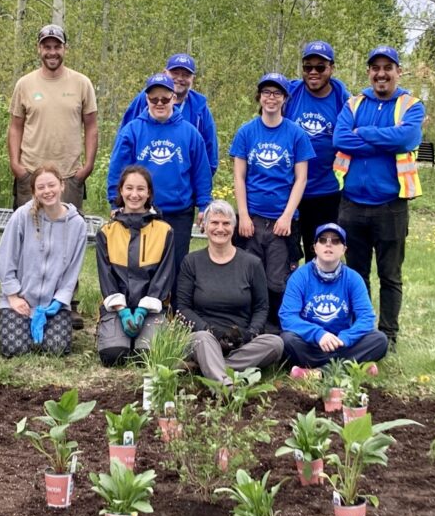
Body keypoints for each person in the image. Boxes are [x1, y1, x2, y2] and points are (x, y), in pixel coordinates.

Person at [333, 46, 425, 349]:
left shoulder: (411, 105)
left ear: (398, 71)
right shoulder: (354, 103)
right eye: (376, 68)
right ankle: (360, 331)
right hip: (352, 205)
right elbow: (340, 138)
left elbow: (407, 139)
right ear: (369, 72)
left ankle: (388, 335)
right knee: (356, 275)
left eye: (388, 67)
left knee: (390, 275)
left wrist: (365, 133)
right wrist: (386, 139)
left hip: (391, 206)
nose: (381, 73)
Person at [8, 23, 97, 329]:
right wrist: (16, 164)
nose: (52, 52)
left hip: (68, 175)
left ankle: (66, 302)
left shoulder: (81, 83)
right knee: (28, 239)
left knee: (66, 242)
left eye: (56, 46)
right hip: (31, 172)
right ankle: (21, 300)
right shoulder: (25, 84)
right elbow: (16, 126)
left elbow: (91, 126)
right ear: (39, 49)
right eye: (46, 46)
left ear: (64, 49)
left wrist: (86, 166)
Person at [108, 73, 212, 299]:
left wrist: (204, 204)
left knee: (175, 264)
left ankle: (174, 311)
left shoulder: (189, 132)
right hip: (141, 212)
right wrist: (114, 201)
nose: (159, 104)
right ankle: (139, 305)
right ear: (146, 99)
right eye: (154, 99)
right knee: (141, 262)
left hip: (179, 211)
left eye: (164, 99)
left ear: (173, 98)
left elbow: (201, 172)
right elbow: (118, 168)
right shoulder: (133, 130)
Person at [230, 73, 315, 333]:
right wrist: (243, 216)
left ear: (285, 98)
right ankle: (249, 327)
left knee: (278, 280)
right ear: (259, 96)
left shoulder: (296, 134)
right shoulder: (246, 132)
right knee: (249, 276)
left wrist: (288, 216)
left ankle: (277, 330)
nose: (271, 98)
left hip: (282, 220)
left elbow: (300, 179)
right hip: (253, 219)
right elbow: (239, 176)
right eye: (266, 92)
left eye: (277, 93)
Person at [177, 201, 284, 385]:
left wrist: (250, 333)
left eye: (226, 223)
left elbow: (261, 307)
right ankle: (224, 384)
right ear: (204, 226)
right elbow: (183, 308)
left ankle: (208, 366)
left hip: (240, 342)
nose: (220, 228)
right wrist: (209, 330)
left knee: (275, 344)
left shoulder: (251, 263)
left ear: (233, 227)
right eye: (214, 223)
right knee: (202, 341)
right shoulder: (191, 262)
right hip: (205, 336)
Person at [0, 165, 87, 357]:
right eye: (41, 187)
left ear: (62, 186)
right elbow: (5, 258)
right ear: (34, 191)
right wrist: (13, 295)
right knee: (14, 349)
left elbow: (72, 272)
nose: (47, 191)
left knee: (57, 349)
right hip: (20, 299)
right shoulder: (22, 216)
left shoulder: (77, 225)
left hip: (53, 304)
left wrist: (60, 301)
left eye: (51, 185)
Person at [279, 223, 388, 370]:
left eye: (336, 241)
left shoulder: (353, 278)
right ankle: (351, 365)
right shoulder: (299, 277)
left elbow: (367, 317)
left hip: (341, 343)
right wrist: (318, 334)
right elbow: (287, 317)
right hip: (311, 342)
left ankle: (318, 371)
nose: (328, 244)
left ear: (344, 249)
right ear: (315, 247)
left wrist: (345, 338)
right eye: (323, 240)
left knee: (379, 340)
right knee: (287, 340)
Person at [96, 165, 174, 367]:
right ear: (121, 191)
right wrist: (122, 310)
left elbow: (163, 276)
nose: (134, 194)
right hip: (117, 308)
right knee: (113, 356)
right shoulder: (106, 232)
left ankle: (148, 330)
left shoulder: (165, 231)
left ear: (149, 193)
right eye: (129, 188)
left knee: (146, 357)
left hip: (151, 309)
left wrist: (142, 311)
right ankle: (115, 332)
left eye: (141, 189)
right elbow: (107, 277)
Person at [284, 41, 351, 262]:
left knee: (324, 255)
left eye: (320, 67)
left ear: (331, 68)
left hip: (327, 191)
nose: (313, 72)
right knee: (288, 255)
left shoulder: (343, 99)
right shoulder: (291, 93)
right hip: (290, 190)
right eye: (308, 67)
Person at [120, 53, 219, 176]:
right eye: (175, 73)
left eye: (186, 75)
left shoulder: (200, 108)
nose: (180, 78)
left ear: (193, 78)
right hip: (141, 188)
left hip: (184, 189)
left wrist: (197, 189)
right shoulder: (144, 100)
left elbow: (210, 154)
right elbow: (123, 143)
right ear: (165, 72)